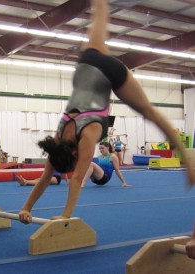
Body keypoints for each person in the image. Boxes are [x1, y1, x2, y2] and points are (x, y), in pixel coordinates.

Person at [18, 0, 195, 224]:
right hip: (87, 65)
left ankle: (187, 161)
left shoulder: (87, 137)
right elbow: (46, 177)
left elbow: (76, 179)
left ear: (73, 155)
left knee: (149, 112)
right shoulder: (59, 139)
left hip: (110, 75)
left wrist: (65, 216)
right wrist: (25, 209)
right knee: (99, 10)